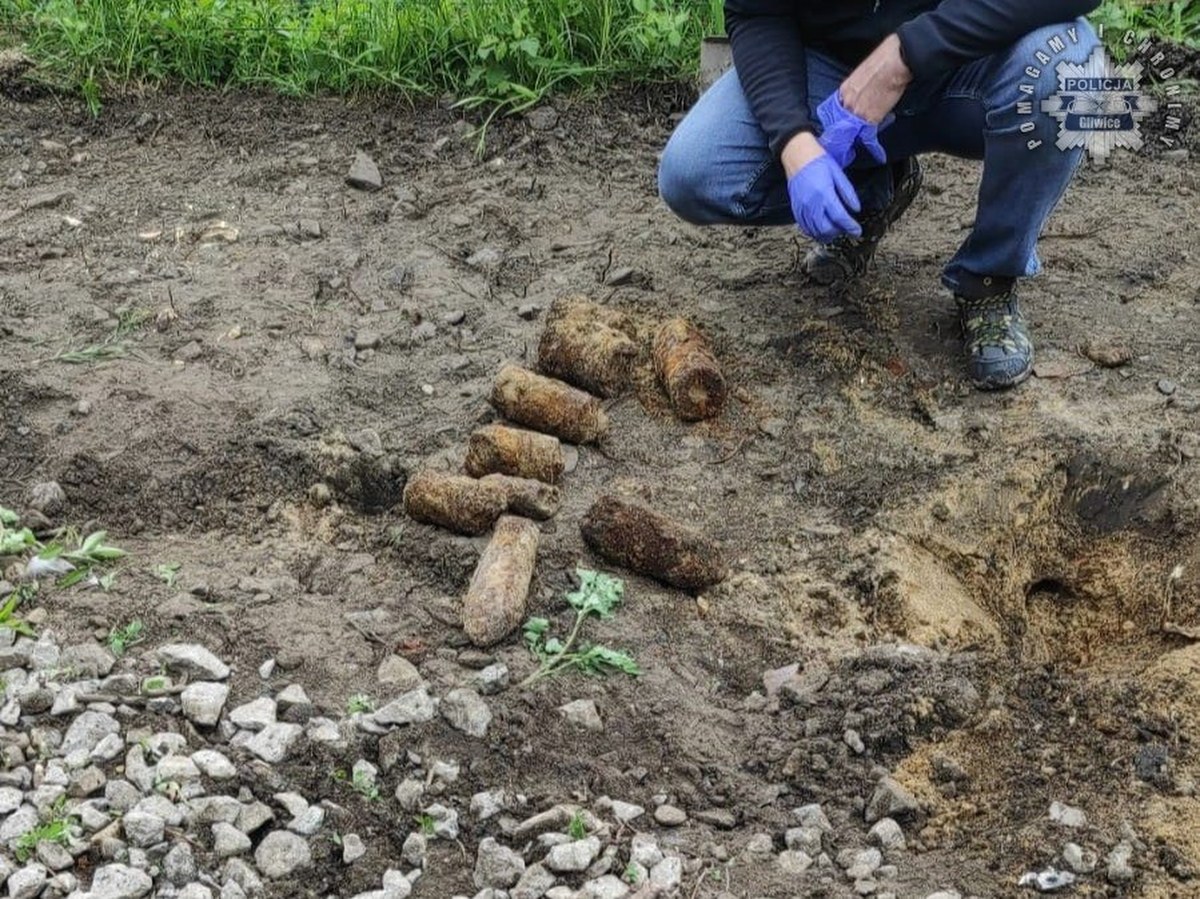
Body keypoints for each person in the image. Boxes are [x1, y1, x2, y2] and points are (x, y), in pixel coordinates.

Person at [659, 0, 1103, 390]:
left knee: (1072, 75)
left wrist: (905, 54)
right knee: (693, 173)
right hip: (836, 81)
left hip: (969, 66)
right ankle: (871, 188)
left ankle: (989, 276)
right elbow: (757, 14)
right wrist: (793, 141)